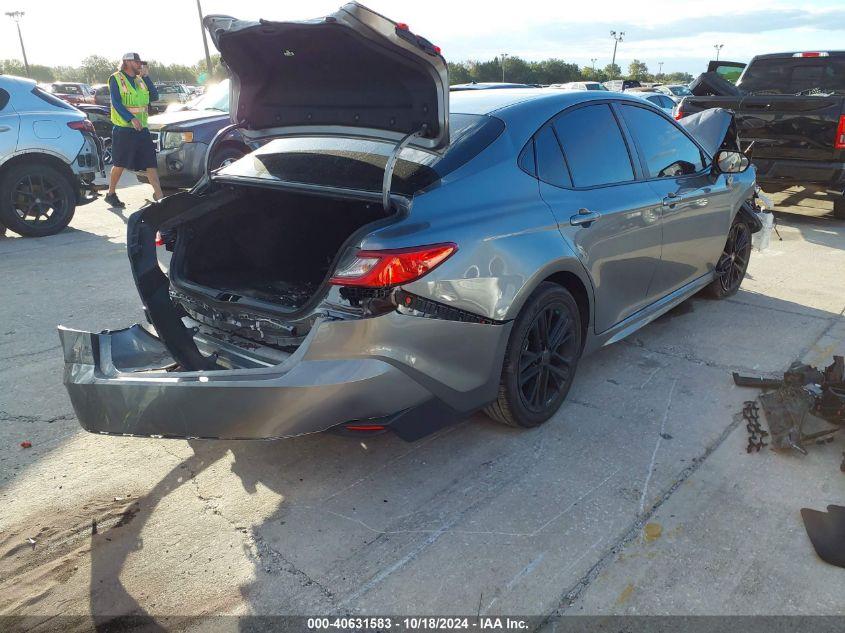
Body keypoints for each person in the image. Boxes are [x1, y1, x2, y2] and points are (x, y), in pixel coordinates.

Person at [104, 53, 162, 208]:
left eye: (140, 62)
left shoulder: (140, 79)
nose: (140, 65)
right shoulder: (116, 78)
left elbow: (154, 96)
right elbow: (116, 102)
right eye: (137, 62)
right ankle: (111, 193)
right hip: (124, 129)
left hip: (142, 129)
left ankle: (159, 195)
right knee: (120, 164)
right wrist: (131, 118)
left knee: (150, 161)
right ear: (127, 62)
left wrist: (147, 77)